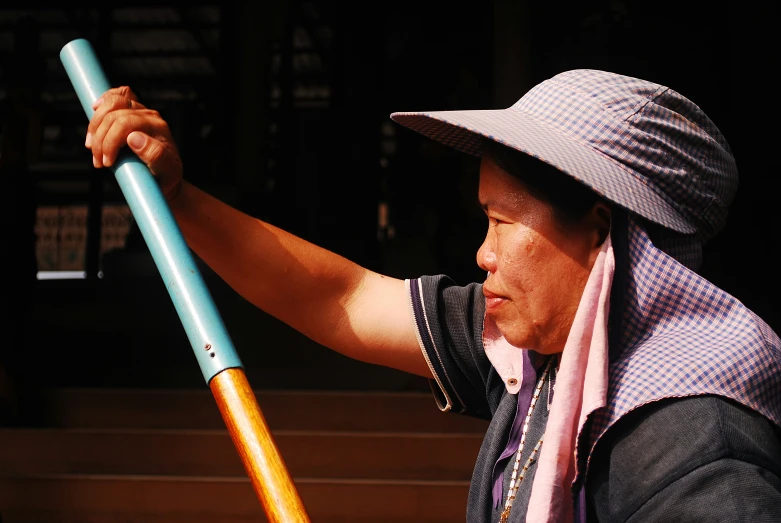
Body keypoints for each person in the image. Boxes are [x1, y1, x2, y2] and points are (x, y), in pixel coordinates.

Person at [84, 70, 781, 522]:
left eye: (504, 222)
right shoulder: (535, 343)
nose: (482, 253)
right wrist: (177, 201)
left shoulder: (697, 451)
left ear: (600, 232)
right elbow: (344, 298)